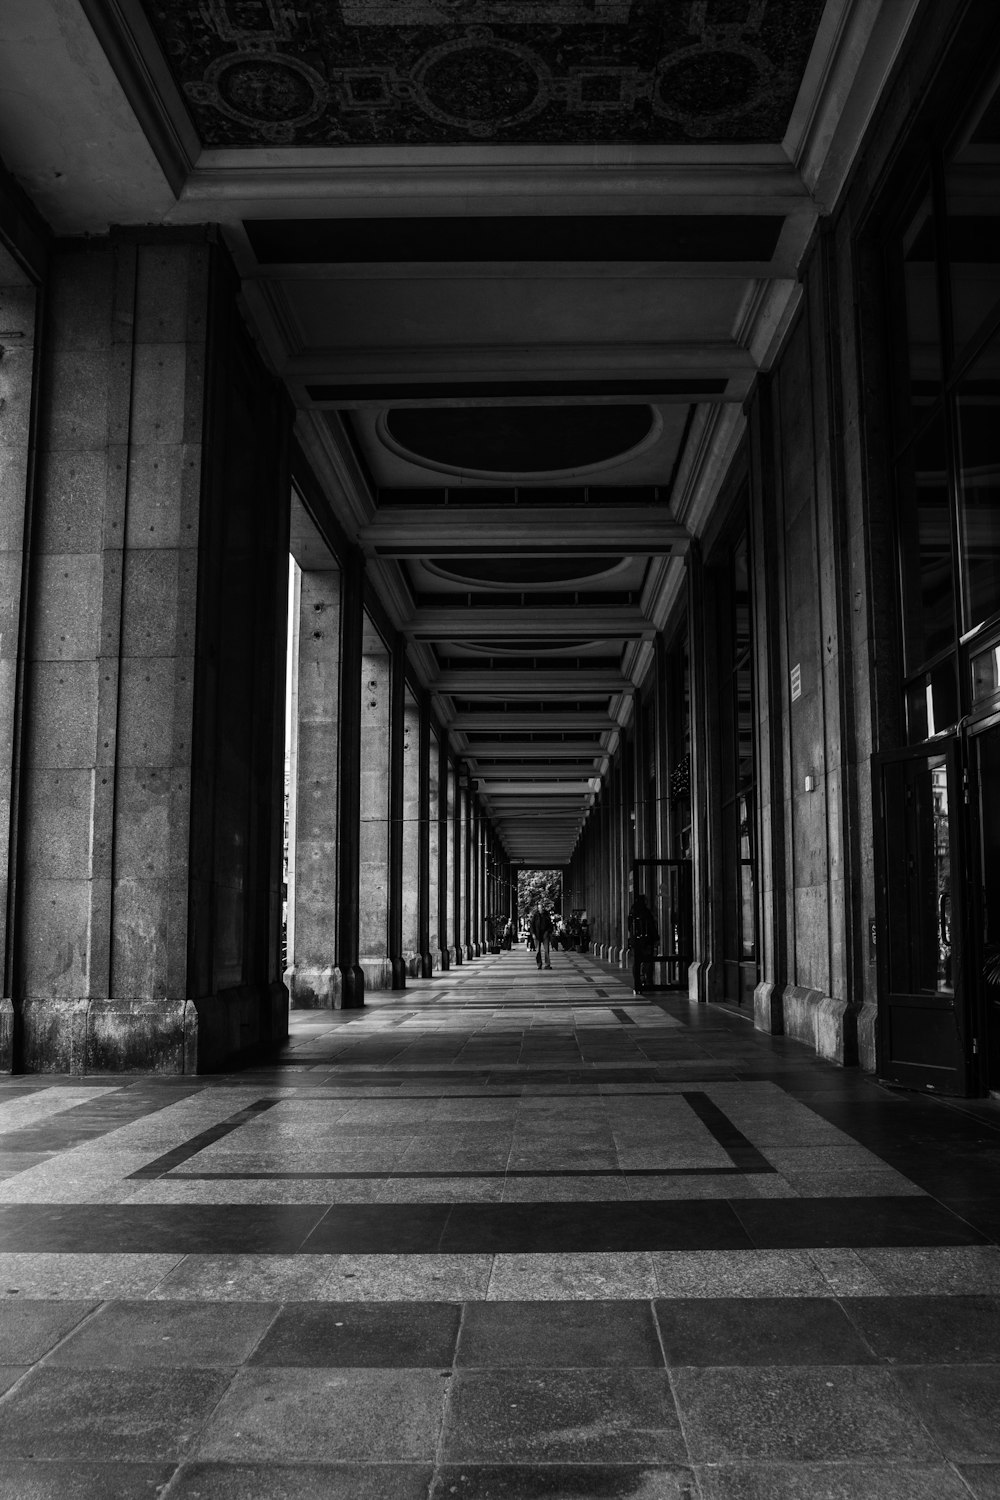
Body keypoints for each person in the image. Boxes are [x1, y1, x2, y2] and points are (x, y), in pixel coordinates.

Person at [627, 892, 658, 996]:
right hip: (646, 941)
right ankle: (648, 981)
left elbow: (629, 927)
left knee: (636, 962)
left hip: (635, 942)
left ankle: (637, 983)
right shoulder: (646, 912)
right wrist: (655, 938)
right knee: (648, 961)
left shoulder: (632, 913)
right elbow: (651, 927)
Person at [529, 904, 553, 969]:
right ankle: (539, 964)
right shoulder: (535, 916)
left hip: (545, 934)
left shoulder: (546, 915)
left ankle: (547, 964)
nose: (541, 909)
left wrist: (548, 932)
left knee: (546, 950)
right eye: (540, 908)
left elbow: (550, 925)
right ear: (538, 908)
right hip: (537, 935)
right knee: (538, 951)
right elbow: (532, 926)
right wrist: (533, 933)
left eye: (542, 908)